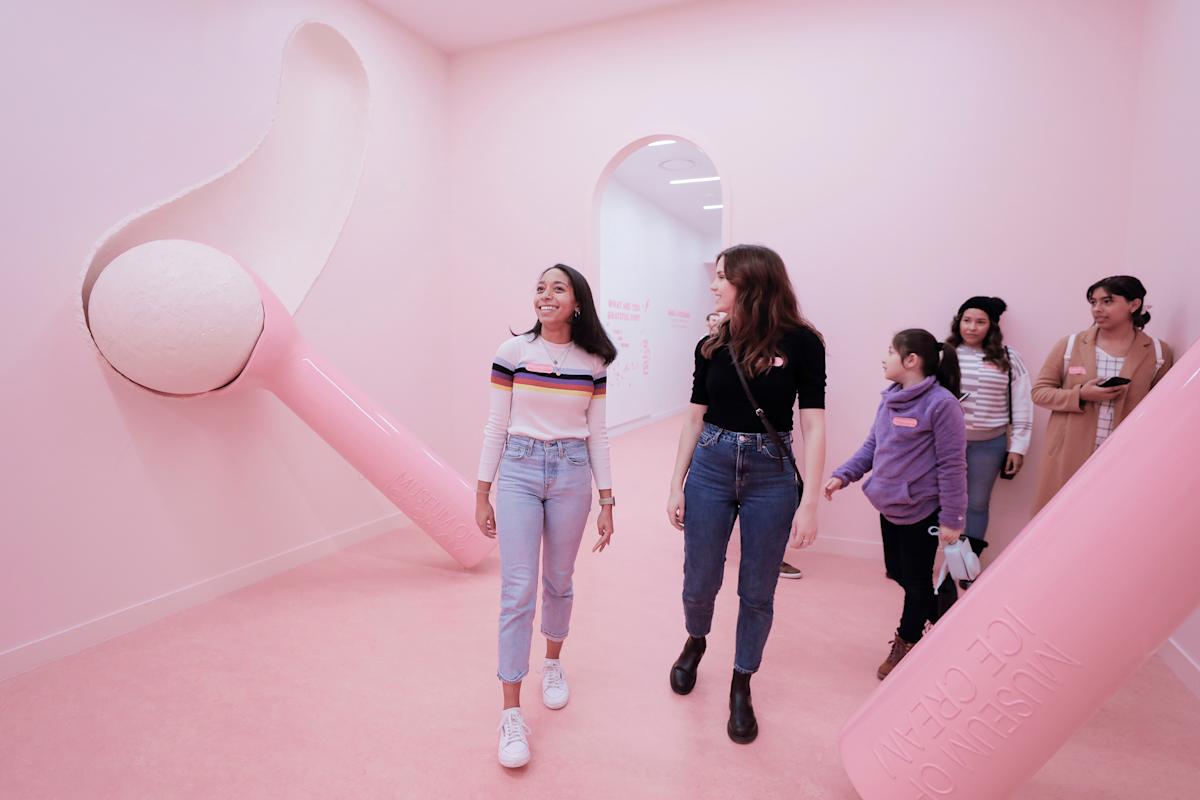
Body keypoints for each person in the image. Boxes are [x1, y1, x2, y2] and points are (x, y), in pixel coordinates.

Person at [665, 244, 826, 744]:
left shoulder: (803, 343)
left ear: (751, 282)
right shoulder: (710, 344)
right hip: (711, 465)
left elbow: (814, 427)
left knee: (757, 591)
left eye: (721, 277)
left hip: (771, 472)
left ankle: (741, 681)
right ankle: (696, 640)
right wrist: (676, 483)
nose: (713, 286)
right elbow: (694, 417)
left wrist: (810, 502)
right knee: (699, 580)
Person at [475, 264, 617, 769]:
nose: (545, 295)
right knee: (517, 590)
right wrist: (482, 490)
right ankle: (511, 713)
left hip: (573, 473)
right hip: (517, 469)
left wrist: (607, 499)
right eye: (539, 288)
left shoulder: (594, 361)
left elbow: (597, 432)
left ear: (577, 301)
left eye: (557, 288)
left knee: (559, 580)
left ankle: (552, 664)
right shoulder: (512, 353)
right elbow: (496, 422)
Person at [825, 329, 966, 679]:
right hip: (889, 504)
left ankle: (907, 639)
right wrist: (844, 474)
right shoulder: (890, 399)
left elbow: (953, 465)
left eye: (890, 352)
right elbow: (872, 445)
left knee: (916, 581)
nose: (884, 358)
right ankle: (942, 609)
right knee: (898, 572)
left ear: (911, 361)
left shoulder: (942, 405)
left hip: (922, 509)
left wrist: (952, 518)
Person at [1031, 276, 1173, 513]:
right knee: (1059, 520)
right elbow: (1040, 393)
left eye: (1107, 301)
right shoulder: (1070, 344)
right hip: (1069, 453)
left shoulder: (1158, 352)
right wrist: (1081, 394)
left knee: (1109, 520)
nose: (1097, 309)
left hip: (1124, 456)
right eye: (1093, 302)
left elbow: (1161, 409)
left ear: (1134, 305)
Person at [946, 297, 1032, 585]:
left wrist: (1018, 446)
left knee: (978, 504)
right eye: (967, 320)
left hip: (989, 443)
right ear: (958, 321)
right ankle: (938, 561)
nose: (972, 327)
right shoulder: (944, 354)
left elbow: (1022, 403)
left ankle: (968, 567)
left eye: (980, 321)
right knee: (937, 501)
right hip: (947, 443)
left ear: (991, 325)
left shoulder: (1008, 357)